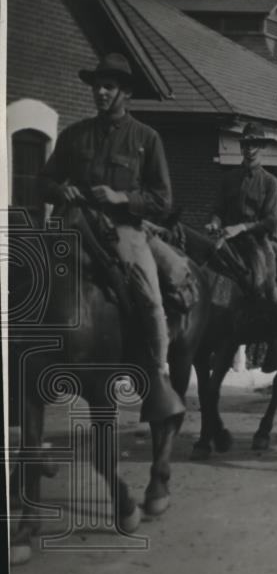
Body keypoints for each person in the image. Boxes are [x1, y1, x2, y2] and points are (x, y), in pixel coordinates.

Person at [37, 53, 183, 422]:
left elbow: (163, 201)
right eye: (97, 86)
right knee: (31, 279)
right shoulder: (74, 134)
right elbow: (44, 181)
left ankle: (158, 373)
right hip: (75, 223)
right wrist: (60, 191)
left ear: (126, 93)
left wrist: (123, 199)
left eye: (109, 86)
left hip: (124, 230)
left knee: (150, 296)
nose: (100, 92)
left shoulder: (146, 139)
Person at [206, 122, 277, 373]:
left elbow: (270, 222)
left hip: (257, 242)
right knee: (204, 273)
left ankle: (275, 344)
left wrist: (241, 228)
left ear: (261, 148)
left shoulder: (270, 182)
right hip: (227, 239)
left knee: (263, 285)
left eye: (254, 145)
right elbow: (217, 210)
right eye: (246, 145)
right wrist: (214, 222)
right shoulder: (229, 179)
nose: (249, 150)